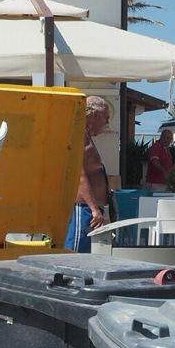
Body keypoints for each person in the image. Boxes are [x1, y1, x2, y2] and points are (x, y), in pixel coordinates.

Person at [65, 95, 111, 253]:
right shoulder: (79, 135)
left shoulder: (85, 136)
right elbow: (79, 174)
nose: (107, 123)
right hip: (84, 209)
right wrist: (94, 209)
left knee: (88, 256)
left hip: (90, 209)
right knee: (75, 255)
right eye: (106, 118)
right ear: (96, 114)